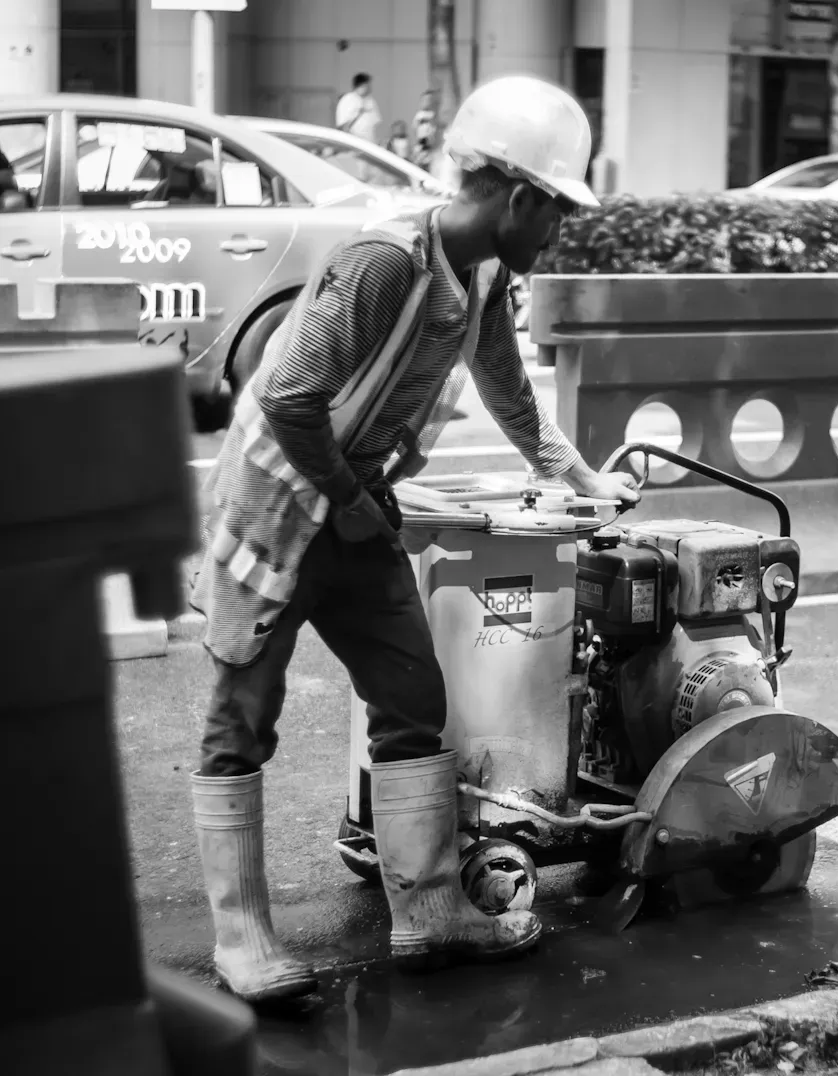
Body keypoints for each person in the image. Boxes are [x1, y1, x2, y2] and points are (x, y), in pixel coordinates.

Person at [187, 74, 638, 1003]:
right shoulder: (384, 261)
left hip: (356, 505)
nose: (558, 229)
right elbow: (288, 397)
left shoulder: (481, 274)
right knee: (242, 718)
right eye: (556, 208)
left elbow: (510, 392)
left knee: (410, 694)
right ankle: (241, 939)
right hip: (278, 512)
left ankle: (429, 913)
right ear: (516, 195)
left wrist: (584, 479)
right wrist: (349, 499)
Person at [336, 72, 382, 144]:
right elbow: (342, 125)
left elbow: (376, 123)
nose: (370, 88)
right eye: (368, 84)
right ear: (362, 84)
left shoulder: (370, 101)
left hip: (369, 142)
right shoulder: (347, 99)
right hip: (354, 143)